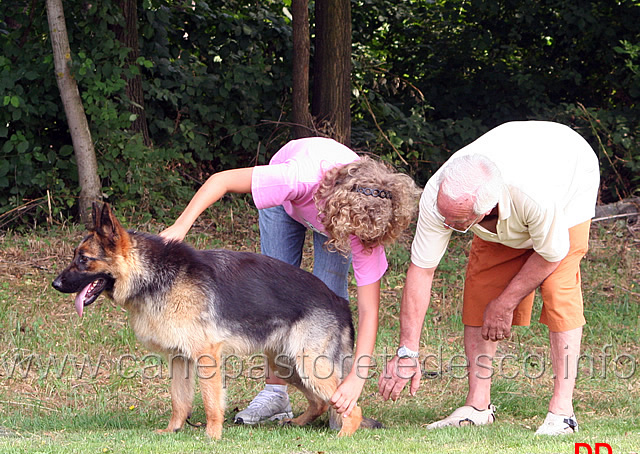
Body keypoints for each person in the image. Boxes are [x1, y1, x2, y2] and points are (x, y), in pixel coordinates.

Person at [161, 136, 420, 425]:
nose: (356, 242)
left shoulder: (367, 227)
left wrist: (356, 380)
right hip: (289, 203)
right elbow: (220, 181)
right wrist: (181, 225)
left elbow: (369, 311)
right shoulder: (294, 178)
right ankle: (275, 394)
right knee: (275, 298)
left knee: (329, 299)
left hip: (339, 217)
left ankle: (337, 400)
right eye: (353, 235)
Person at [378, 121, 600, 436]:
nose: (444, 223)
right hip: (509, 184)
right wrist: (407, 351)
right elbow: (422, 270)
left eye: (454, 222)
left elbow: (551, 253)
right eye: (444, 215)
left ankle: (562, 413)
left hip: (568, 171)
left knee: (558, 290)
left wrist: (507, 302)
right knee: (481, 289)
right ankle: (477, 406)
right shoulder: (442, 196)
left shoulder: (533, 195)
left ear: (483, 212)